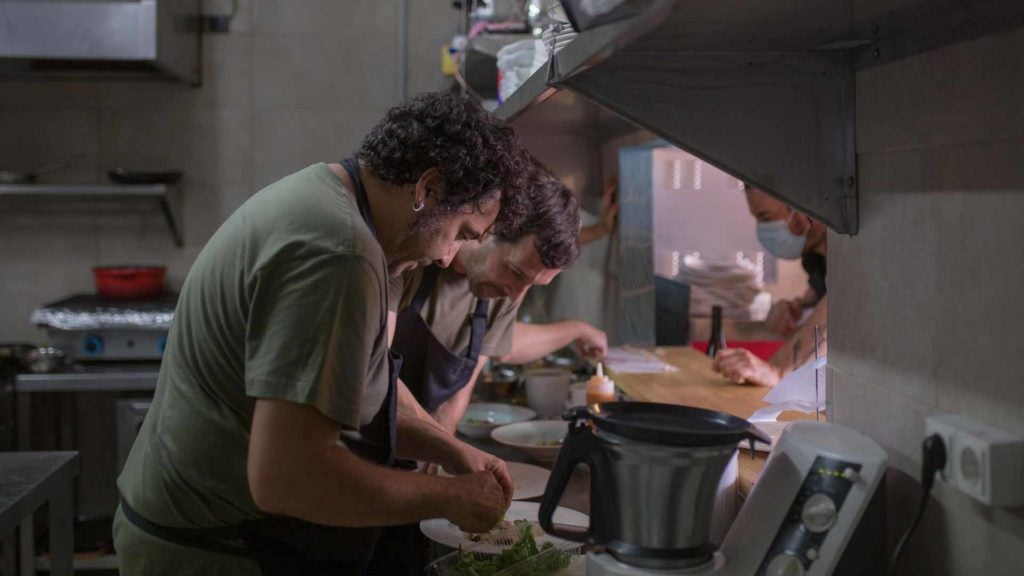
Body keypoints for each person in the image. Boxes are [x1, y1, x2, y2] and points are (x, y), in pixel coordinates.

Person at [113, 92, 530, 576]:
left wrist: (448, 447)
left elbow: (362, 381)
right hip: (211, 548)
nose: (446, 258)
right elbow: (288, 477)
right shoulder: (339, 252)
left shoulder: (334, 205)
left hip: (213, 533)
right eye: (462, 231)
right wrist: (447, 498)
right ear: (428, 189)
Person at [387, 167, 599, 434]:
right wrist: (445, 449)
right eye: (516, 272)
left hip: (414, 443)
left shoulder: (505, 290)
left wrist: (441, 462)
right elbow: (375, 373)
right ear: (489, 226)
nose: (517, 295)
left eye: (532, 285)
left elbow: (455, 399)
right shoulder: (411, 257)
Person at [711, 185, 828, 387]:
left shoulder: (857, 247)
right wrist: (797, 307)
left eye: (765, 218)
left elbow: (843, 304)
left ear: (800, 213)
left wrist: (777, 370)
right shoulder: (816, 258)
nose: (763, 229)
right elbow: (823, 296)